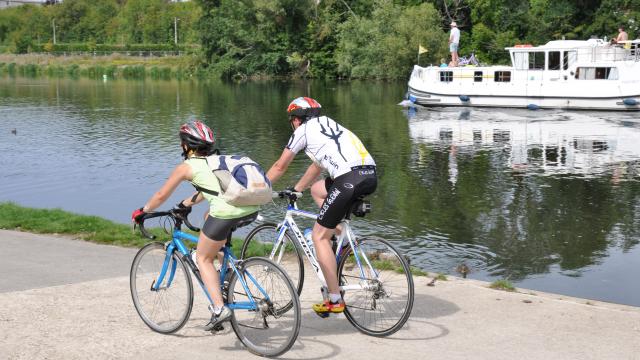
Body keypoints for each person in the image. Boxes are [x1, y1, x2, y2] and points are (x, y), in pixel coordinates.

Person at [131, 121, 259, 331]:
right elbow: (210, 189)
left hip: (225, 214)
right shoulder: (216, 161)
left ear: (185, 146)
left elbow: (161, 195)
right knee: (211, 238)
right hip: (249, 209)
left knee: (202, 257)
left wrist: (143, 211)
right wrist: (186, 203)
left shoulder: (186, 167)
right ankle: (226, 274)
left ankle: (219, 309)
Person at [266, 97, 377, 315]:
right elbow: (317, 166)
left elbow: (280, 166)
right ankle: (340, 237)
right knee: (317, 190)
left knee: (318, 236)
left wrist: (258, 188)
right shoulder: (330, 124)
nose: (293, 123)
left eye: (293, 119)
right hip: (369, 175)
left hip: (348, 180)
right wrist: (298, 189)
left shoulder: (303, 131)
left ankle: (335, 299)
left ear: (298, 119)